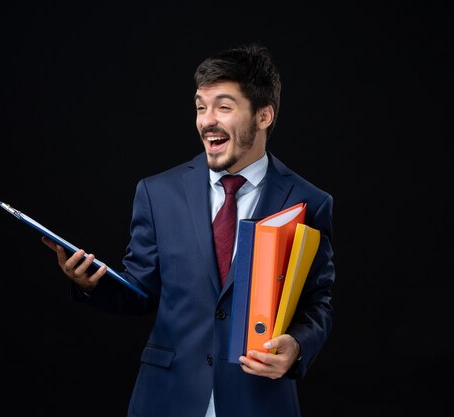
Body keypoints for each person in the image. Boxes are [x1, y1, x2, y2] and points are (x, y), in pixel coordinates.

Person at [42, 42, 335, 417]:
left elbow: (317, 303)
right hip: (166, 396)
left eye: (223, 107)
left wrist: (296, 346)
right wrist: (90, 284)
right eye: (200, 107)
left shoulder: (309, 201)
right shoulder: (157, 192)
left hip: (260, 399)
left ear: (264, 116)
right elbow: (142, 293)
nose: (206, 120)